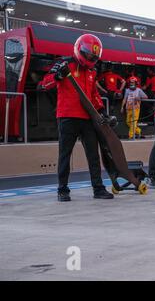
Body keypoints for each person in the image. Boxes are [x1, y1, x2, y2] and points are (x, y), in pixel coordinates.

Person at [40, 34, 115, 201]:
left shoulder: (92, 71)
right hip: (67, 117)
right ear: (80, 49)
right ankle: (62, 190)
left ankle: (98, 188)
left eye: (94, 56)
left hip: (87, 117)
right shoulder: (64, 63)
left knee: (93, 155)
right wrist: (57, 76)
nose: (90, 58)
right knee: (65, 154)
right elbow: (44, 84)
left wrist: (102, 111)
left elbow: (94, 95)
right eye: (88, 54)